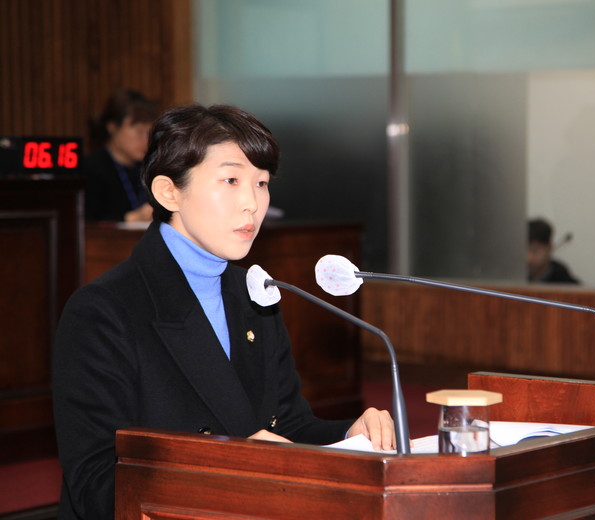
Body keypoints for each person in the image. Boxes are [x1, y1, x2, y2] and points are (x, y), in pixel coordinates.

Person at [52, 104, 395, 520]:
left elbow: (285, 426)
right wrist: (236, 464)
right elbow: (97, 484)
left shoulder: (254, 293)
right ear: (169, 192)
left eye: (261, 183)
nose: (252, 203)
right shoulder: (103, 311)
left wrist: (348, 434)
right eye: (231, 180)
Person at [83, 89, 158, 222]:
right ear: (112, 127)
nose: (146, 139)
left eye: (150, 133)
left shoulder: (151, 168)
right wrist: (130, 218)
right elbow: (86, 222)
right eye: (139, 131)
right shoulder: (90, 169)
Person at [527, 218, 579, 284]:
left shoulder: (565, 281)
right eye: (523, 251)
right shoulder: (517, 276)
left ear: (549, 248)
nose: (528, 257)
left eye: (535, 250)